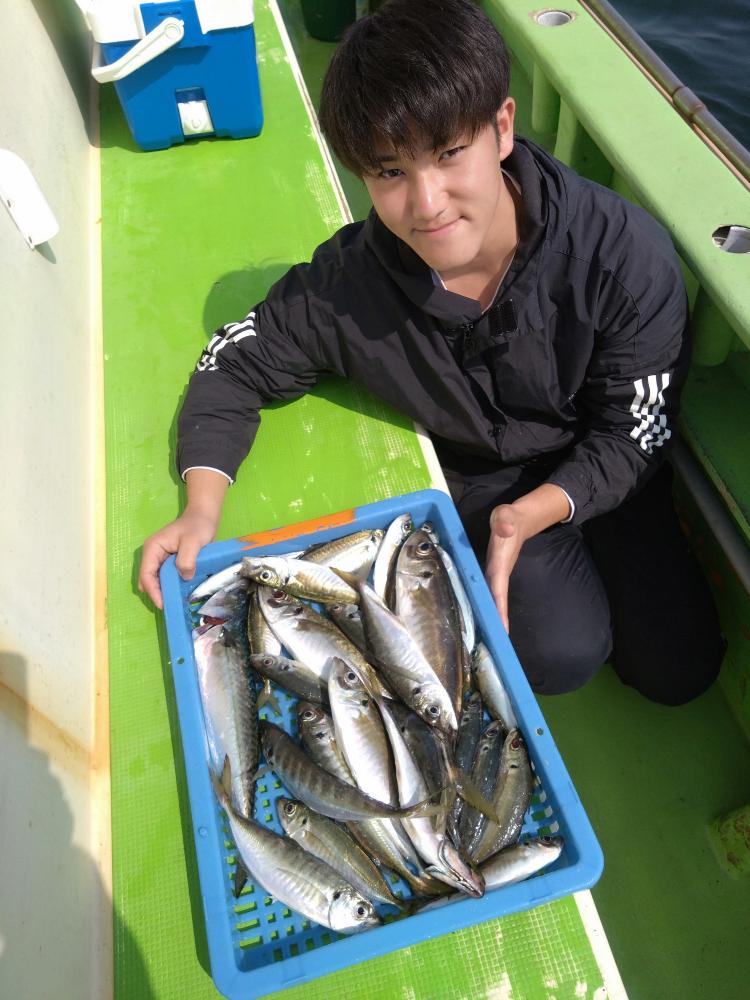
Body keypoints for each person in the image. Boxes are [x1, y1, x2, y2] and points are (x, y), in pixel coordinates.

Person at [139, 0, 723, 704]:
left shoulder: (624, 259)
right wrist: (201, 510)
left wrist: (544, 508)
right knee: (558, 652)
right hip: (487, 479)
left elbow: (635, 431)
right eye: (390, 172)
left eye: (449, 154)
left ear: (501, 128)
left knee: (679, 670)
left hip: (603, 460)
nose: (428, 203)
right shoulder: (348, 288)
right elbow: (234, 363)